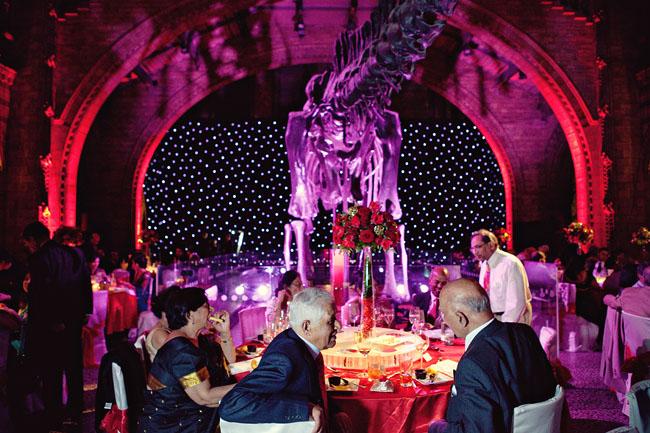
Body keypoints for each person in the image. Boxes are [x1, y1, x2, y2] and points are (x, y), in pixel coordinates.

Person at [428, 279, 557, 433]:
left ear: (461, 317)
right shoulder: (524, 332)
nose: (444, 320)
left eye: (444, 313)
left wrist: (436, 427)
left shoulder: (472, 364)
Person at [219, 288, 340, 433]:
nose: (338, 326)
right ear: (306, 327)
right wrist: (305, 408)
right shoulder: (284, 358)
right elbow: (232, 403)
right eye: (330, 321)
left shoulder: (303, 344)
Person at [21, 221, 92, 432]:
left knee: (51, 370)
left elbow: (42, 293)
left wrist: (49, 321)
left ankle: (54, 415)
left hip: (51, 324)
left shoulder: (40, 258)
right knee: (73, 367)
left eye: (26, 242)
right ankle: (75, 410)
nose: (24, 246)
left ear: (34, 240)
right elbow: (84, 283)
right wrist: (85, 313)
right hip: (74, 320)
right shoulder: (76, 254)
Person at [137, 287, 236, 433]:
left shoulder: (195, 341)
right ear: (190, 315)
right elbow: (205, 397)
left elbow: (229, 363)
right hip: (173, 426)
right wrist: (251, 384)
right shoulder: (181, 351)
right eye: (205, 307)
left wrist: (225, 333)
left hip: (190, 418)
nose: (211, 310)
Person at [470, 229, 532, 324]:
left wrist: (504, 328)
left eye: (478, 247)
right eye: (472, 248)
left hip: (512, 321)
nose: (475, 252)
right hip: (493, 320)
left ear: (491, 245)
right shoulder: (484, 265)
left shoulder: (510, 263)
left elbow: (517, 303)